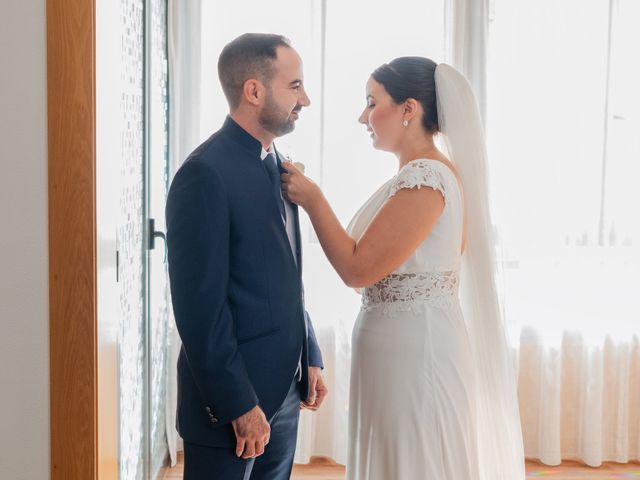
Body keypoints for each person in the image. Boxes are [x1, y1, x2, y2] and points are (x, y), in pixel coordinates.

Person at [282, 57, 525, 479]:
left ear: (408, 109)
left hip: (417, 355)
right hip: (400, 348)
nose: (363, 116)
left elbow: (357, 270)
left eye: (372, 102)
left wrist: (313, 199)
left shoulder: (426, 178)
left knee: (415, 460)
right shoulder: (413, 176)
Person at [165, 33, 327, 480]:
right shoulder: (204, 175)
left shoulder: (279, 163)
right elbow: (200, 311)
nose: (306, 99)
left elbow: (285, 274)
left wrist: (308, 351)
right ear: (253, 91)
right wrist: (239, 403)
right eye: (294, 86)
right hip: (232, 409)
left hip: (285, 396)